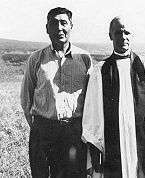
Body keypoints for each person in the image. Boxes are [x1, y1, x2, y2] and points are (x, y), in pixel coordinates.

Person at [81, 16, 145, 178]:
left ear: (132, 34)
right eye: (118, 33)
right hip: (112, 146)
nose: (123, 37)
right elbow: (92, 110)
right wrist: (95, 146)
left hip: (143, 143)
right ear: (110, 36)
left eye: (127, 32)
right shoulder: (99, 71)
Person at [20, 7, 92, 178]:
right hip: (43, 132)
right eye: (54, 23)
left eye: (63, 23)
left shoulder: (84, 58)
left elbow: (91, 100)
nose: (59, 28)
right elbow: (26, 99)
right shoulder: (36, 59)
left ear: (71, 26)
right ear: (47, 29)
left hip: (74, 133)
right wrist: (40, 127)